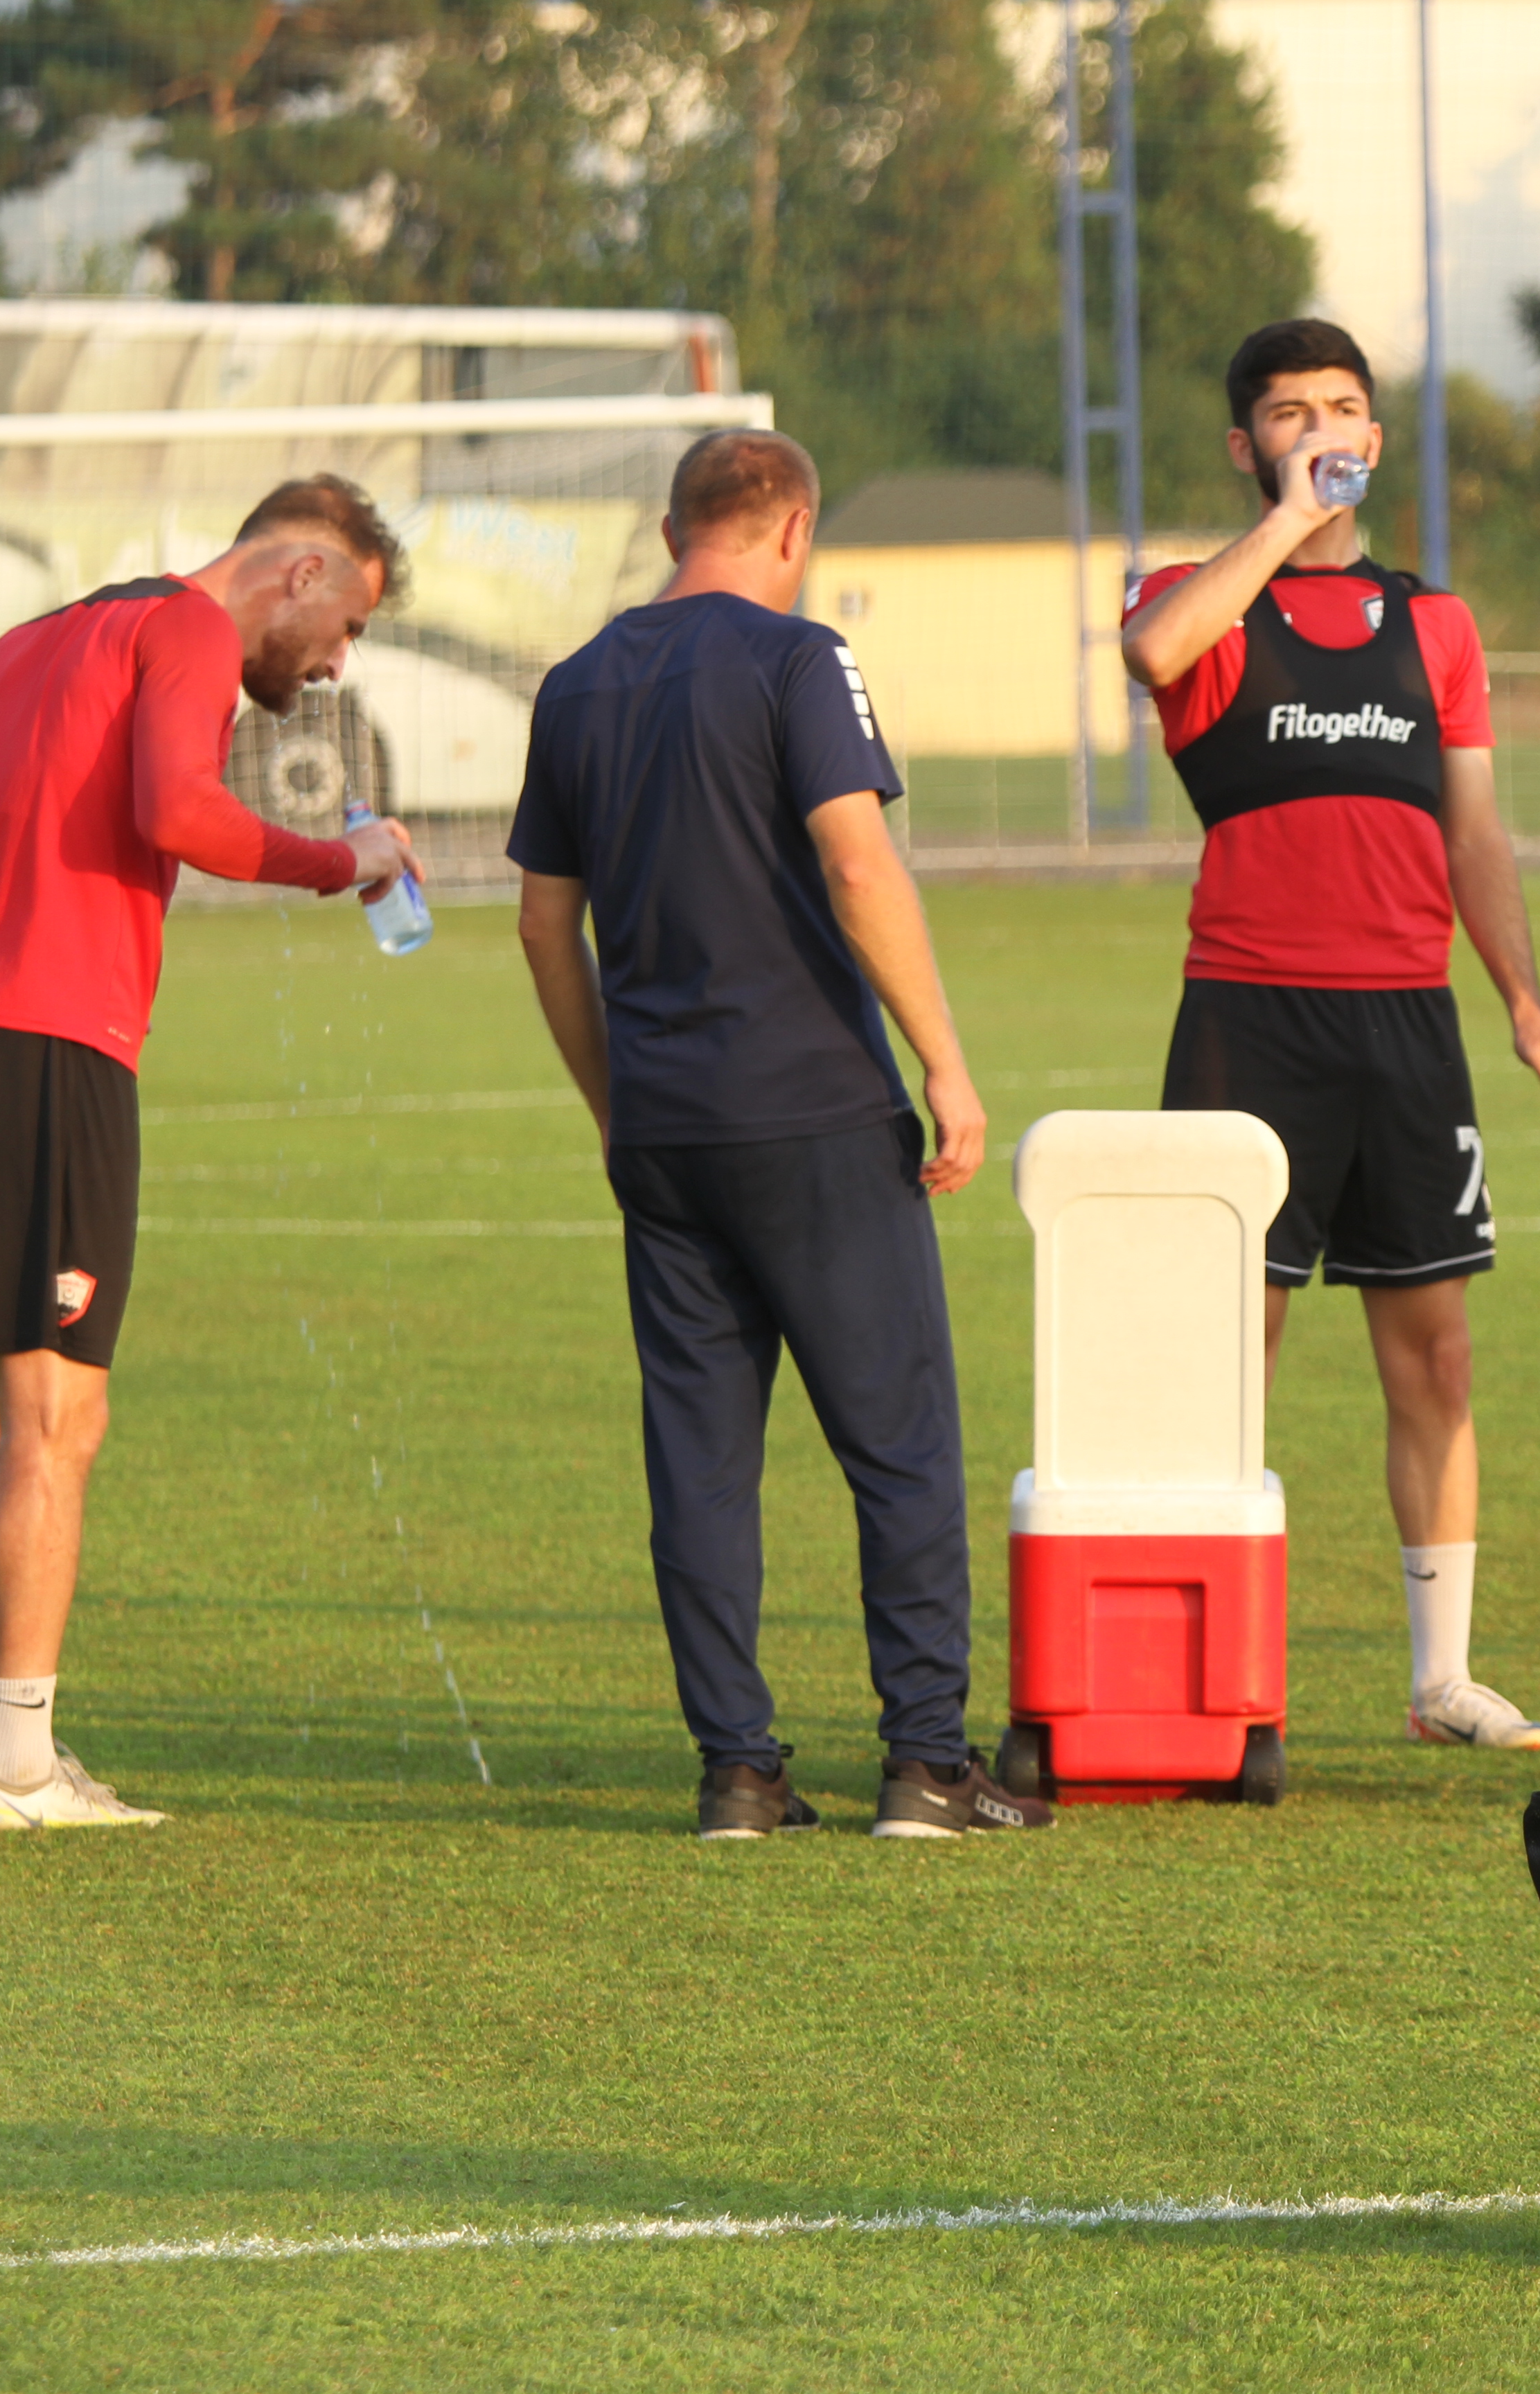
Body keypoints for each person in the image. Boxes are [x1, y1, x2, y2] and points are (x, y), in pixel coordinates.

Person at [0, 475, 421, 1830]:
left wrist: (0, 918)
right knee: (60, 1421)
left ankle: (13, 1740)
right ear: (301, 570)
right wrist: (350, 864)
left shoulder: (33, 640)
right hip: (51, 1053)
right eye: (348, 625)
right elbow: (178, 810)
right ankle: (20, 1770)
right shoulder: (189, 636)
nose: (340, 661)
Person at [511, 427, 1044, 1841]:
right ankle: (927, 1765)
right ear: (795, 530)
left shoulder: (574, 686)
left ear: (674, 524)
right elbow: (857, 858)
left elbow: (541, 925)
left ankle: (736, 1773)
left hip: (669, 1130)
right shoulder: (800, 662)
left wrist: (613, 1105)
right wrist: (947, 1064)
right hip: (812, 1109)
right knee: (901, 1445)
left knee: (699, 1458)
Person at [1122, 318, 1540, 1753]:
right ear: (1245, 444)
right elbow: (1155, 649)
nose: (1320, 429)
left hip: (1407, 1030)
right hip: (1246, 1027)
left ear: (1376, 436)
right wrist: (1283, 526)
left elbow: (1475, 829)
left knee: (1437, 1358)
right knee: (1228, 1365)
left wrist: (1521, 997)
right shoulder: (1196, 593)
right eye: (1287, 413)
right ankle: (1211, 1673)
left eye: (1342, 409)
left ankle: (1440, 1677)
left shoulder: (1434, 625)